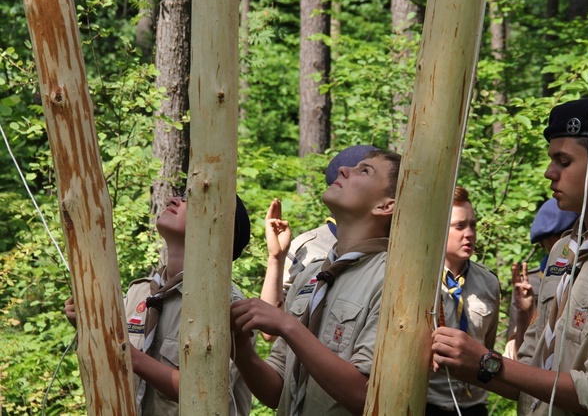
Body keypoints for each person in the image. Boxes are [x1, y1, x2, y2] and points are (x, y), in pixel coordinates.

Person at [432, 97, 588, 415]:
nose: (549, 173)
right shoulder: (565, 251)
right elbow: (529, 377)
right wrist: (463, 361)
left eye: (563, 161)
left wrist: (486, 361)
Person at [230, 149, 401, 415]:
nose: (344, 170)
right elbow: (278, 390)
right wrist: (241, 350)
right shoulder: (311, 274)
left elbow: (366, 397)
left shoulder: (396, 280)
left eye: (364, 170)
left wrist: (286, 324)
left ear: (385, 206)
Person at [64, 191, 253, 415]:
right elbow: (111, 371)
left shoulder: (226, 305)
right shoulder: (139, 293)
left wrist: (125, 352)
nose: (173, 200)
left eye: (190, 201)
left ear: (217, 225)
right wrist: (91, 329)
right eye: (180, 196)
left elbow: (206, 393)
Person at [260, 145, 379, 311]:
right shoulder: (308, 250)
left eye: (364, 171)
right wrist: (276, 258)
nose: (343, 171)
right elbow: (270, 328)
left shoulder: (389, 261)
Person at [426, 186, 500, 416]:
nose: (469, 233)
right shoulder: (421, 280)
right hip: (428, 404)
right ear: (439, 228)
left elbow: (486, 345)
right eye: (459, 226)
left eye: (473, 225)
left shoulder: (488, 282)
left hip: (475, 407)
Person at [506, 198, 577, 359]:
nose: (568, 245)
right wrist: (525, 315)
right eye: (561, 238)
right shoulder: (529, 283)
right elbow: (516, 352)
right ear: (542, 244)